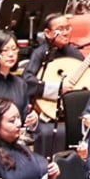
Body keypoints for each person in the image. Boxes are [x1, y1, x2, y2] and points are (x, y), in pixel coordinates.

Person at [22, 14, 83, 156]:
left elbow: (89, 76)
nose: (65, 32)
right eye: (60, 29)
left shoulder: (74, 52)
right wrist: (57, 88)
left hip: (72, 113)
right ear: (47, 33)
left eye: (68, 28)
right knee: (47, 132)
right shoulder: (40, 53)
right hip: (46, 114)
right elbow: (27, 80)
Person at [0, 30, 37, 129]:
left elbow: (23, 119)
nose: (11, 54)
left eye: (14, 49)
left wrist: (32, 120)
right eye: (5, 50)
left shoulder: (20, 84)